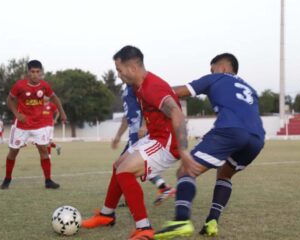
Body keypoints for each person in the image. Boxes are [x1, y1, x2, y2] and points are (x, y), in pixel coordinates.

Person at [82, 46, 190, 240]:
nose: (118, 74)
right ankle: (107, 215)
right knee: (118, 166)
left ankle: (144, 228)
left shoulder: (152, 87)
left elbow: (176, 112)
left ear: (131, 67)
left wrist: (183, 151)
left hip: (166, 142)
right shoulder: (137, 86)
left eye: (119, 69)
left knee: (125, 171)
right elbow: (148, 109)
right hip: (155, 136)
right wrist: (143, 126)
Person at [155, 53, 265, 239]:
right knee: (225, 174)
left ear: (222, 68)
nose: (211, 72)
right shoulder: (250, 89)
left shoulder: (215, 78)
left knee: (185, 170)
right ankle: (212, 221)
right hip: (256, 139)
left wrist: (150, 92)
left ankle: (181, 220)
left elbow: (177, 92)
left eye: (212, 69)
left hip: (230, 130)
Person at [0, 60, 67, 190]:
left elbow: (55, 98)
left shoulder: (44, 85)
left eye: (37, 72)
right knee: (13, 152)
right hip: (22, 125)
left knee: (43, 150)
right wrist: (17, 114)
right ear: (28, 72)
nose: (35, 75)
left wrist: (62, 113)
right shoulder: (19, 85)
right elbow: (9, 100)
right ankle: (7, 179)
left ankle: (48, 181)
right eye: (32, 72)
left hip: (39, 124)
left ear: (41, 72)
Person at [112, 84, 176, 207]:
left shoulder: (138, 87)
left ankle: (125, 201)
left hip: (141, 134)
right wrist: (118, 136)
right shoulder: (126, 90)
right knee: (124, 166)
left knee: (124, 166)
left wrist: (145, 125)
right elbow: (127, 117)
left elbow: (151, 106)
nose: (120, 75)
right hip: (133, 134)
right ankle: (163, 187)